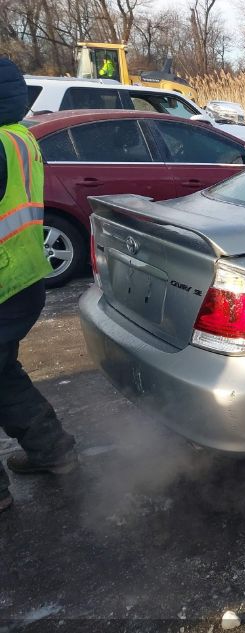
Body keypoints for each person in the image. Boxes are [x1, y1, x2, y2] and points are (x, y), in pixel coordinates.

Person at [0, 58, 77, 514]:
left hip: (3, 282)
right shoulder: (20, 137)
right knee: (4, 375)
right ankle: (56, 453)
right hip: (24, 279)